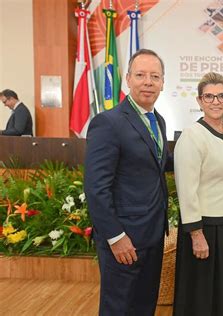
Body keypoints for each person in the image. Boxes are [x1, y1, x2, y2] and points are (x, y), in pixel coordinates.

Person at [84, 48, 172, 316]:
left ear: (162, 83)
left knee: (144, 306)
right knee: (118, 308)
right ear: (127, 80)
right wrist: (115, 236)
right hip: (124, 239)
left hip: (153, 235)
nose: (148, 82)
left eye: (155, 76)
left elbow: (156, 166)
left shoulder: (158, 120)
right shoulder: (108, 123)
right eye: (141, 75)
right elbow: (96, 187)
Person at [173, 72, 223, 316]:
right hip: (206, 230)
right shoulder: (192, 136)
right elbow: (186, 189)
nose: (215, 101)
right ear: (199, 101)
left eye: (221, 96)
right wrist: (196, 234)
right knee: (204, 296)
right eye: (209, 96)